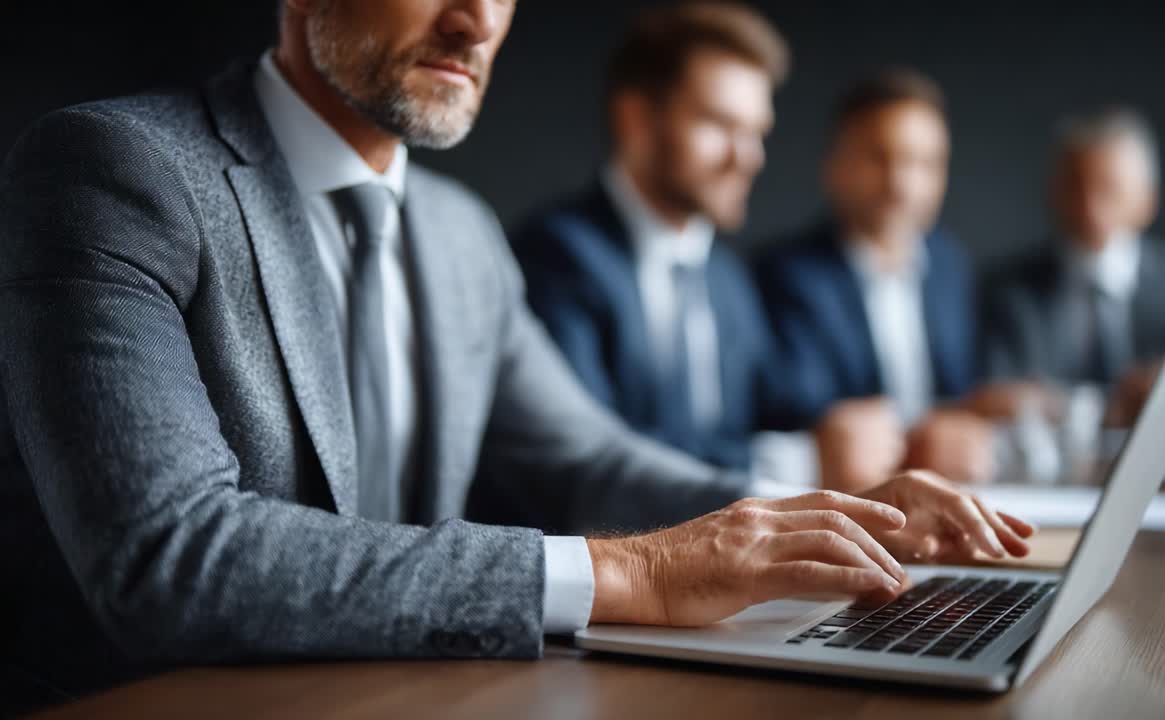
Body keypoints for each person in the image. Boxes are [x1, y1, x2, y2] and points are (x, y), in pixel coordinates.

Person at [0, 1, 1032, 712]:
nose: (477, 21)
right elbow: (167, 558)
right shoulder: (114, 170)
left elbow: (590, 462)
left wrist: (826, 524)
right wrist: (636, 571)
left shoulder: (460, 235)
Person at [511, 3, 888, 483]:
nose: (749, 158)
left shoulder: (724, 274)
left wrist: (864, 432)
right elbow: (589, 455)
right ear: (636, 120)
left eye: (756, 133)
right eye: (719, 125)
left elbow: (775, 402)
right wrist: (797, 460)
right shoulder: (556, 255)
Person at [756, 69, 1026, 488]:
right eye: (879, 158)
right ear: (836, 166)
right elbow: (807, 411)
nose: (902, 183)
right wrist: (918, 440)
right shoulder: (785, 276)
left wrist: (980, 414)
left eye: (924, 163)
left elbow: (963, 388)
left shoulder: (950, 267)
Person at [982, 108, 1165, 425]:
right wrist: (1100, 406)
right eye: (1075, 187)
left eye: (1108, 190)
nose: (1090, 207)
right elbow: (992, 395)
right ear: (1051, 192)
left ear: (1147, 199)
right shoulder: (1012, 289)